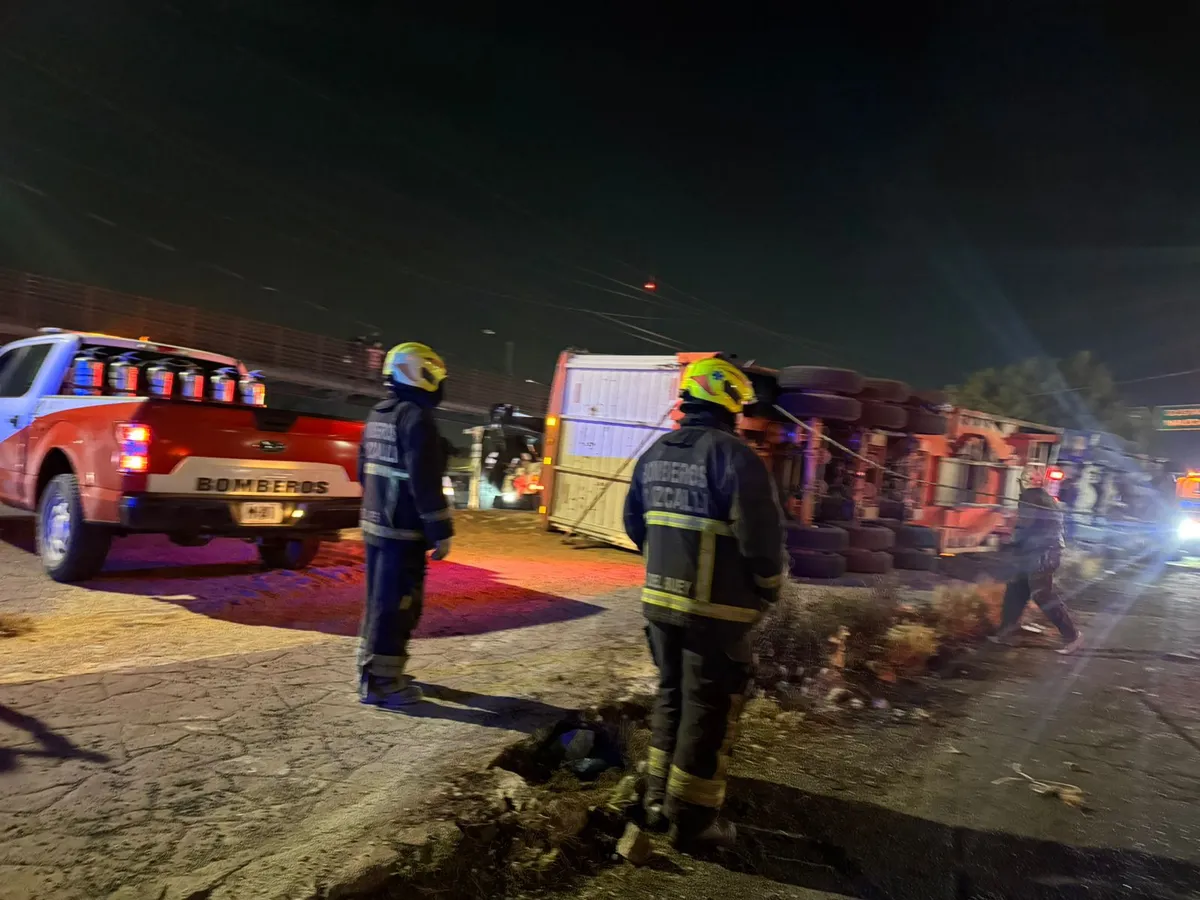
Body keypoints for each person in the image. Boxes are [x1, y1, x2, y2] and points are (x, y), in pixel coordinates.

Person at [623, 356, 786, 854]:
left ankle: (655, 802)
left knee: (671, 699)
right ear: (728, 403)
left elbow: (634, 524)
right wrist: (769, 584)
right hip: (715, 614)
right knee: (707, 712)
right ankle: (692, 822)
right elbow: (760, 538)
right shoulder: (734, 457)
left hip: (659, 607)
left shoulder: (654, 454)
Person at [357, 341, 454, 707]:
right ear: (420, 374)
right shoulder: (416, 417)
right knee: (399, 605)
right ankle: (382, 683)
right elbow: (424, 481)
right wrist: (440, 531)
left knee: (378, 603)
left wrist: (375, 508)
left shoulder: (378, 414)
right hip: (402, 531)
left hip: (376, 525)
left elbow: (362, 470)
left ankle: (372, 669)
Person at [991, 470, 1084, 654]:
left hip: (1043, 553)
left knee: (1042, 594)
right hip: (1039, 551)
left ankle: (1072, 636)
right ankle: (1006, 631)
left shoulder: (1030, 497)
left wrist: (1009, 539)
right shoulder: (1041, 496)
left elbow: (1025, 524)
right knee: (1017, 588)